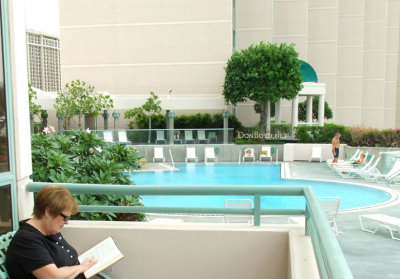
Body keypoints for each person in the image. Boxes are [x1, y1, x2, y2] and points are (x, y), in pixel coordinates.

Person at [6, 185, 98, 279]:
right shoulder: (26, 240)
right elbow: (53, 277)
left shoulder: (50, 229)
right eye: (65, 217)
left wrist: (81, 267)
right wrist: (80, 268)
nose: (66, 222)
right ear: (48, 212)